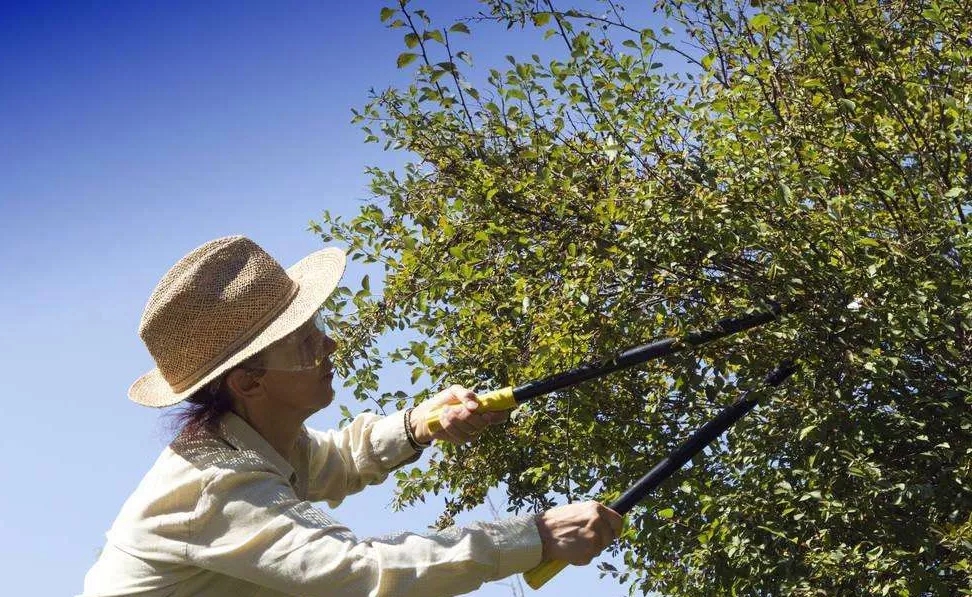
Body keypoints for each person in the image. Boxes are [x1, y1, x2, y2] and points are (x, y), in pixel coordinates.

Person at [81, 235, 622, 597]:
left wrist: (419, 423)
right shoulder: (218, 486)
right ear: (247, 381)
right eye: (304, 343)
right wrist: (533, 537)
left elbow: (329, 459)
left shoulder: (253, 442)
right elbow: (361, 574)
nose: (329, 345)